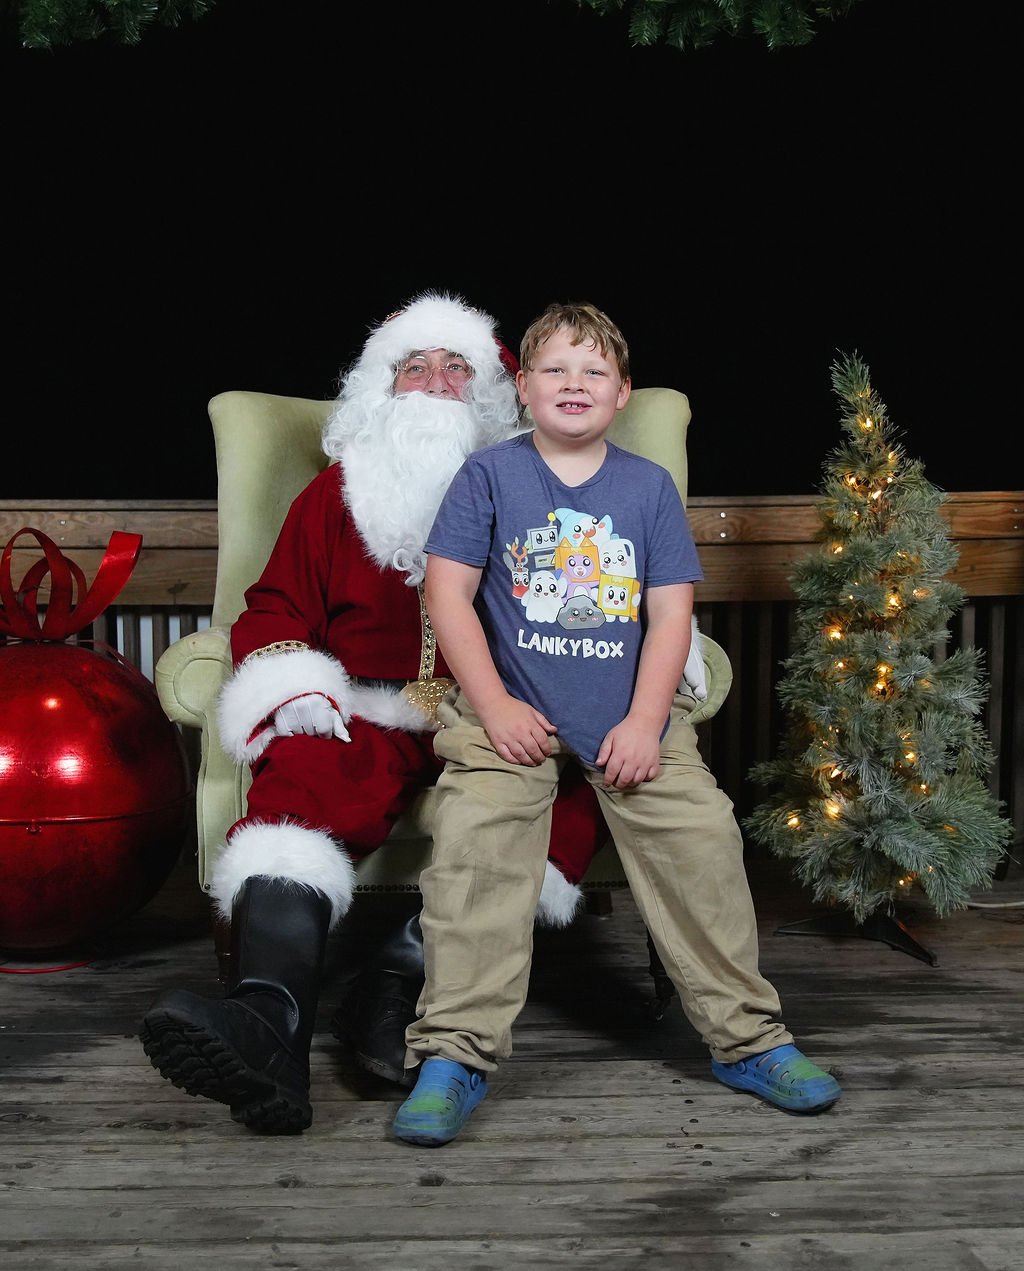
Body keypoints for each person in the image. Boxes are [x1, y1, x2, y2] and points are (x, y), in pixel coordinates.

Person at [138, 292, 613, 1134]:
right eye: (414, 367)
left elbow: (597, 592)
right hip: (363, 707)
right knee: (302, 778)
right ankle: (269, 1023)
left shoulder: (537, 493)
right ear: (381, 388)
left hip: (494, 707)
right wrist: (299, 686)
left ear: (489, 394)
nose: (434, 383)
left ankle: (392, 984)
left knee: (564, 802)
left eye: (456, 368)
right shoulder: (334, 494)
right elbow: (275, 603)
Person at [392, 301, 843, 1148]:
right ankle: (452, 1052)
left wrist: (643, 719)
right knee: (475, 845)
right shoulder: (488, 475)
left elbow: (670, 616)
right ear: (523, 389)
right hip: (510, 707)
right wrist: (494, 705)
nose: (575, 383)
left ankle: (750, 1038)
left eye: (594, 370)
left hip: (626, 713)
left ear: (622, 392)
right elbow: (447, 594)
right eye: (555, 369)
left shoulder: (646, 488)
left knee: (703, 836)